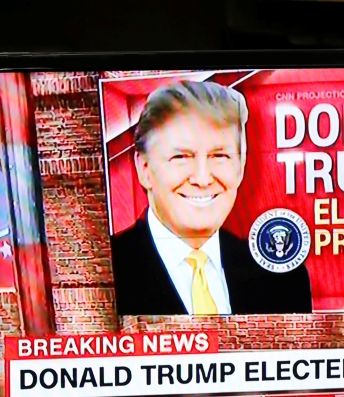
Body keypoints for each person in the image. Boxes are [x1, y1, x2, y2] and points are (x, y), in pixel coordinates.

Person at [110, 80, 313, 316]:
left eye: (220, 155)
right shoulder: (102, 274)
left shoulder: (283, 280)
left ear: (240, 167)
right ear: (144, 169)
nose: (203, 178)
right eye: (181, 157)